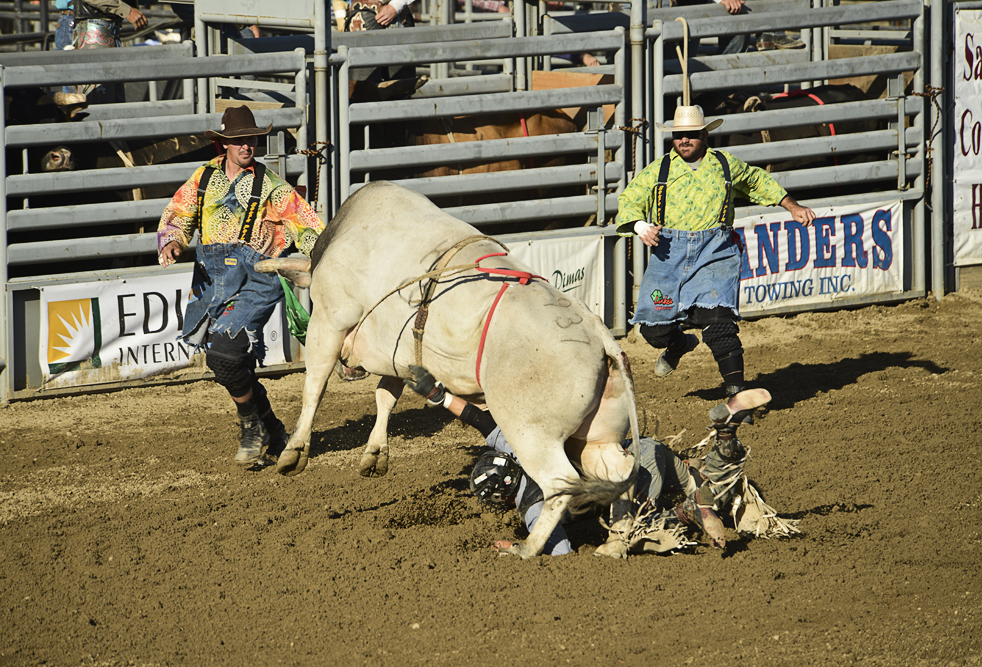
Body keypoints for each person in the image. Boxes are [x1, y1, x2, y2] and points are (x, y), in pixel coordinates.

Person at [403, 365, 746, 556]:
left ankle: (686, 511)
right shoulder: (517, 446)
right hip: (640, 448)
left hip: (632, 487)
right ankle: (720, 448)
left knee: (639, 537)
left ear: (506, 494)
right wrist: (437, 395)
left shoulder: (535, 509)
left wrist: (518, 546)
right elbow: (476, 418)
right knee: (701, 480)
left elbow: (563, 552)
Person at [157, 106, 325, 467]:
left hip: (257, 279)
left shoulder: (272, 186)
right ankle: (273, 431)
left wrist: (321, 258)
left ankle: (251, 427)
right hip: (214, 280)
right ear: (223, 144)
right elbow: (177, 216)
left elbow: (309, 226)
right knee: (230, 364)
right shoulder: (202, 178)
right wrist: (173, 241)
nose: (246, 145)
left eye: (250, 139)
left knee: (224, 354)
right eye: (238, 140)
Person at [616, 105, 815, 401]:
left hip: (715, 253)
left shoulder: (725, 165)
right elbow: (629, 199)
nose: (684, 141)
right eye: (679, 136)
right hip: (668, 256)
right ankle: (678, 344)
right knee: (653, 330)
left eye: (691, 135)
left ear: (705, 135)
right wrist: (640, 225)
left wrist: (792, 206)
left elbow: (757, 181)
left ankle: (737, 397)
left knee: (719, 324)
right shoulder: (659, 170)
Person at [70, 0, 147, 102]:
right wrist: (127, 10)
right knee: (97, 102)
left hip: (105, 26)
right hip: (96, 28)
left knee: (111, 104)